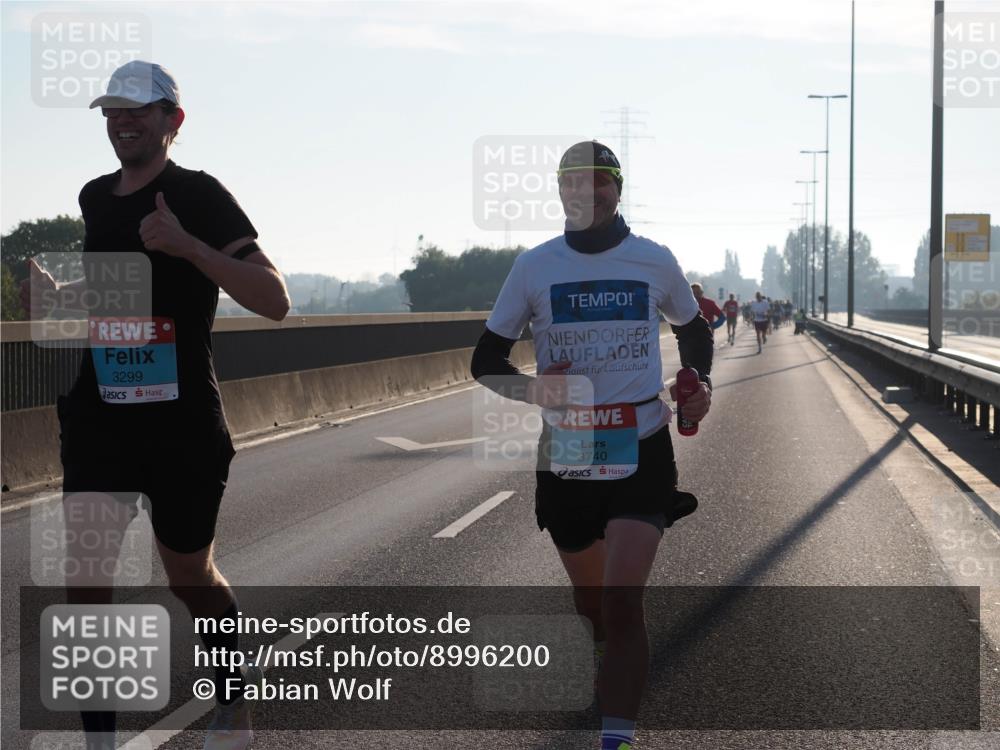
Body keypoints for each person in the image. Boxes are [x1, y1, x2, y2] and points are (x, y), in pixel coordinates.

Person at [24, 61, 290, 750]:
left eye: (137, 110)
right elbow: (118, 299)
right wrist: (57, 300)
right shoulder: (94, 197)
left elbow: (274, 299)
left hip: (181, 427)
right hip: (99, 419)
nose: (122, 121)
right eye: (112, 111)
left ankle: (235, 695)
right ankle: (100, 742)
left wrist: (188, 246)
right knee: (84, 583)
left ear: (173, 120)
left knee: (190, 575)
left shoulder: (198, 196)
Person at [470, 141, 713, 750]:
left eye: (599, 182)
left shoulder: (653, 260)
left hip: (641, 445)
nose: (587, 193)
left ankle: (617, 739)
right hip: (569, 451)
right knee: (592, 600)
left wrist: (698, 382)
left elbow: (693, 327)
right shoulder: (534, 266)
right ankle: (603, 649)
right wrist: (532, 391)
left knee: (623, 600)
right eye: (574, 183)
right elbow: (483, 361)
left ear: (617, 190)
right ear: (560, 193)